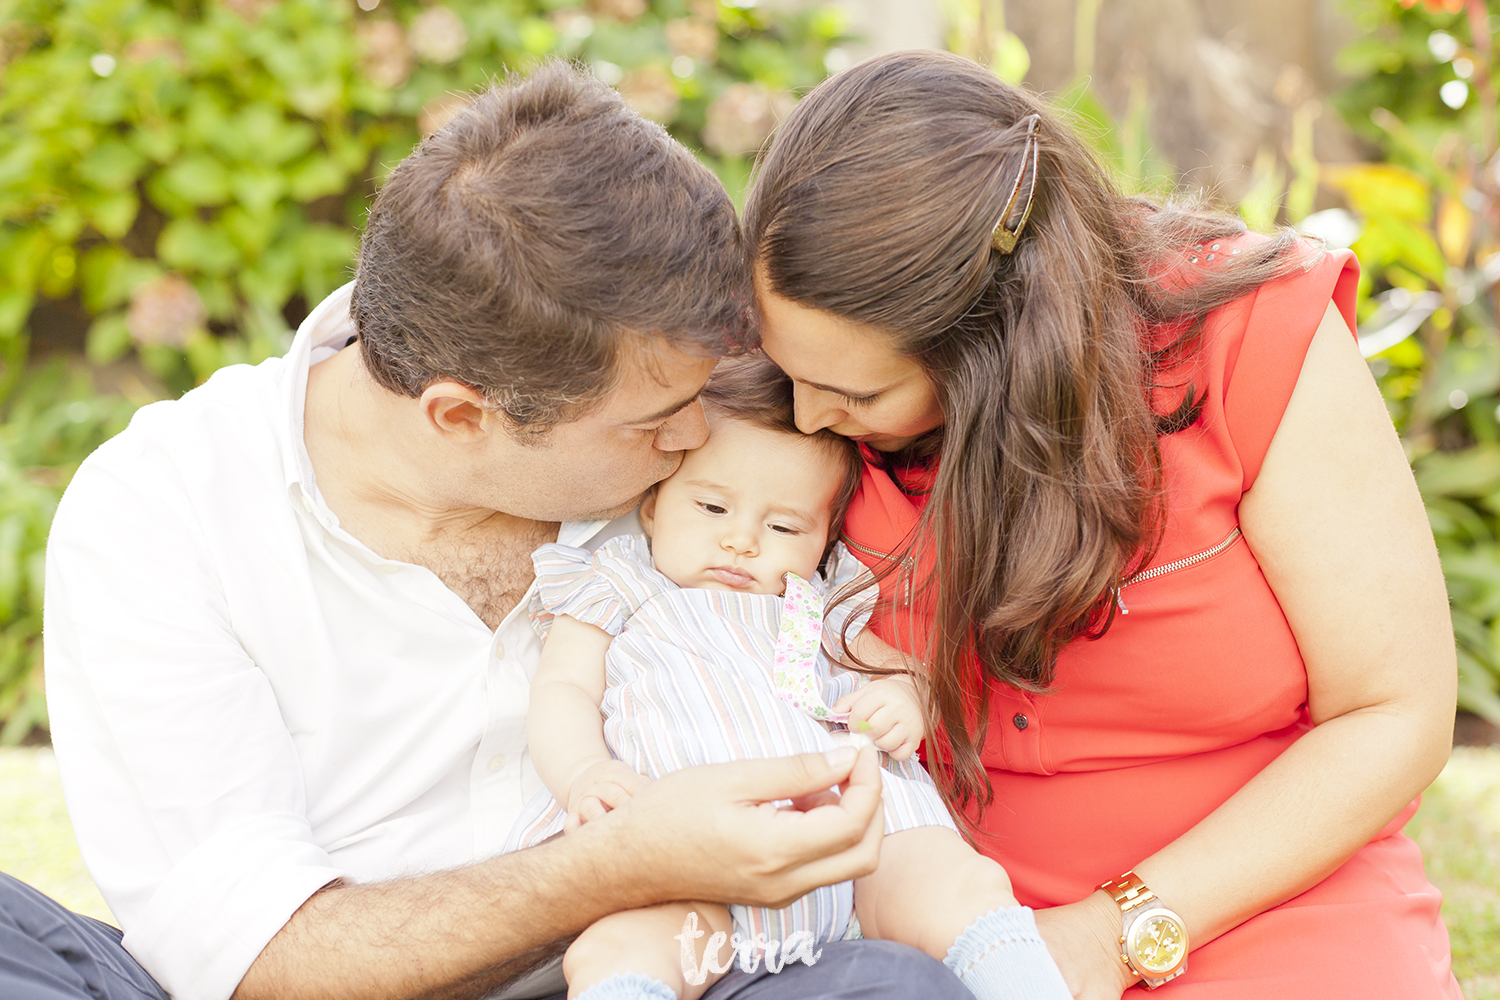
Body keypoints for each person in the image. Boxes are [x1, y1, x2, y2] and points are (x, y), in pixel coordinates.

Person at [16, 63, 975, 1000]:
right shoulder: (163, 512)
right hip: (333, 976)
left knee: (888, 984)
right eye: (652, 425)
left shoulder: (695, 431)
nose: (693, 443)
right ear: (460, 417)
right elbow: (255, 956)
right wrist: (614, 863)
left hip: (690, 959)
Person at [742, 49, 1461, 1000]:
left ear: (996, 352)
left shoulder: (1247, 337)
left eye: (852, 393)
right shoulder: (804, 398)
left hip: (1265, 903)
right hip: (933, 917)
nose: (801, 422)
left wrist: (1111, 931)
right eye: (790, 374)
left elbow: (1394, 714)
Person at [508, 358, 1070, 1000]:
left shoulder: (815, 603)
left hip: (855, 844)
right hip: (682, 859)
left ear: (825, 540)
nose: (742, 541)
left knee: (961, 886)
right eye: (713, 506)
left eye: (783, 526)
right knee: (623, 946)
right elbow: (564, 691)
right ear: (653, 509)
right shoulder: (623, 586)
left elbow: (901, 669)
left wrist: (905, 696)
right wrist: (584, 773)